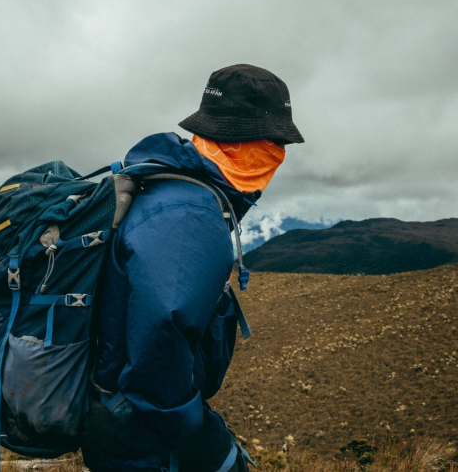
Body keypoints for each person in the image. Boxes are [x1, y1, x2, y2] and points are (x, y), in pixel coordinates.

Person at [82, 64, 304, 472]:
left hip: (129, 417)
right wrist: (188, 427)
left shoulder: (179, 189)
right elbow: (163, 329)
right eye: (274, 141)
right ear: (243, 141)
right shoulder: (187, 215)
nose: (279, 153)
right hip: (145, 431)